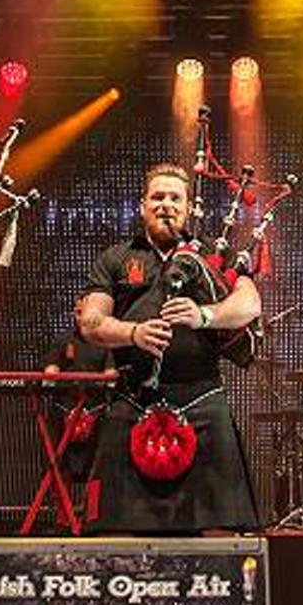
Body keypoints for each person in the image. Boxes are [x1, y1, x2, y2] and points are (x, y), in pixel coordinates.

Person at [75, 163, 261, 532]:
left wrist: (204, 315)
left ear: (188, 207)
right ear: (142, 205)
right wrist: (133, 333)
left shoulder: (213, 256)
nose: (166, 205)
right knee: (116, 534)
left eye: (175, 198)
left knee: (220, 532)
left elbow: (250, 304)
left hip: (202, 397)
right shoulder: (115, 258)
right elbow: (91, 322)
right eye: (157, 197)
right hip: (132, 398)